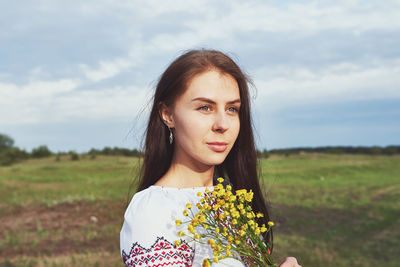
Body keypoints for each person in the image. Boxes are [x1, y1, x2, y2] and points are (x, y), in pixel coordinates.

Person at [120, 49, 301, 267]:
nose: (223, 124)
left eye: (232, 109)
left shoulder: (231, 202)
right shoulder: (154, 211)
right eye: (205, 107)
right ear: (168, 115)